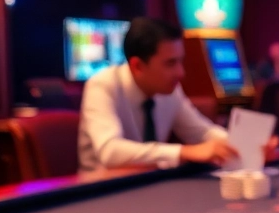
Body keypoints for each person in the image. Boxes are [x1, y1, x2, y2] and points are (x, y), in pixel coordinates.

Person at [78, 17, 237, 171]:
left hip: (149, 180)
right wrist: (183, 152)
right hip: (99, 184)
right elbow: (110, 152)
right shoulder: (102, 85)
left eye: (180, 61)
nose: (181, 73)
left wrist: (239, 144)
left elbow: (202, 132)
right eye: (170, 63)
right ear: (138, 66)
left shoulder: (170, 89)